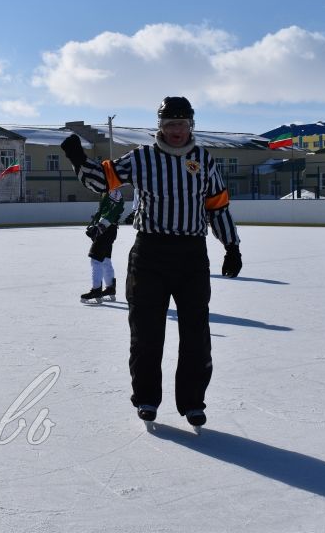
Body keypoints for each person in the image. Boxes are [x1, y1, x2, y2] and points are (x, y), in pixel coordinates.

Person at [60, 96, 242, 428]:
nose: (176, 130)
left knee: (195, 333)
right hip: (150, 255)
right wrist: (78, 159)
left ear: (191, 125)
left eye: (182, 123)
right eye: (170, 124)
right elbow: (104, 180)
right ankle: (146, 398)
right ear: (160, 126)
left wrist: (231, 245)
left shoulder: (204, 159)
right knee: (146, 332)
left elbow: (217, 206)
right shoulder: (142, 159)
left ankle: (192, 402)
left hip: (191, 256)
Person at [81, 187, 125, 304]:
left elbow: (113, 211)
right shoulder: (108, 190)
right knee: (105, 259)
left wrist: (99, 228)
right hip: (109, 229)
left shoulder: (114, 191)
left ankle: (96, 290)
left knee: (95, 259)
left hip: (107, 229)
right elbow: (105, 209)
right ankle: (110, 289)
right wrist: (96, 220)